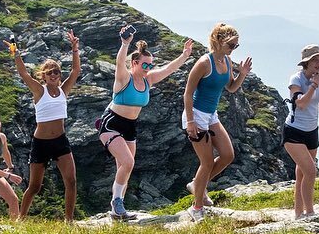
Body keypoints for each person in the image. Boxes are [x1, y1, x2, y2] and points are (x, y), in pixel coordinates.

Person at [99, 25, 194, 220]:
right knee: (127, 162)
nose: (149, 68)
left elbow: (168, 69)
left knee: (124, 167)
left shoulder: (149, 80)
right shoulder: (124, 78)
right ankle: (116, 202)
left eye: (151, 65)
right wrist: (125, 44)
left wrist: (184, 56)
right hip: (111, 123)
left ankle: (118, 210)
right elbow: (119, 63)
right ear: (134, 63)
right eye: (145, 65)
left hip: (130, 126)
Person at [181, 22, 252, 222]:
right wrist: (191, 122)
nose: (234, 49)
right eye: (231, 45)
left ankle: (198, 185)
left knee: (228, 155)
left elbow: (230, 87)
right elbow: (187, 94)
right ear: (219, 42)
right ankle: (197, 207)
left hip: (211, 115)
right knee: (205, 162)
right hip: (196, 115)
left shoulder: (227, 61)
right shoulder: (204, 63)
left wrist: (242, 75)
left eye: (236, 46)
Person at [6, 31, 81, 220]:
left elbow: (76, 72)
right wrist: (15, 53)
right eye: (50, 72)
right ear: (44, 76)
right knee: (35, 186)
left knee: (71, 181)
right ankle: (21, 219)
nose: (54, 74)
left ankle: (69, 221)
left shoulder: (64, 90)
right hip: (40, 143)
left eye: (56, 71)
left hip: (60, 142)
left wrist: (74, 50)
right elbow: (23, 73)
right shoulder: (39, 91)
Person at [284, 44, 319, 218]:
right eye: (315, 59)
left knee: (302, 173)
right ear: (306, 62)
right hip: (294, 131)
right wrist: (313, 86)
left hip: (312, 131)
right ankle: (310, 213)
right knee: (311, 171)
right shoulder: (296, 79)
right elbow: (301, 104)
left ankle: (298, 214)